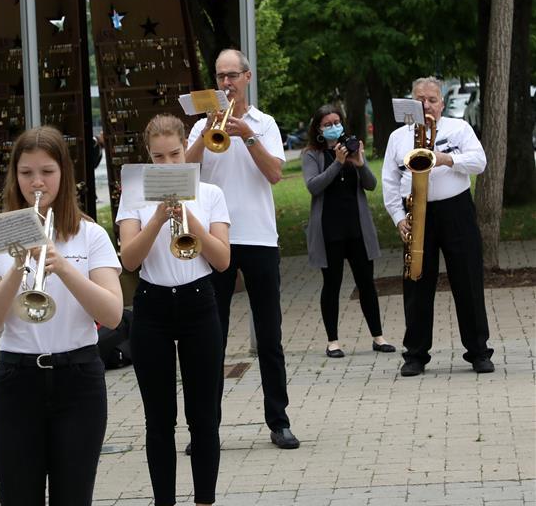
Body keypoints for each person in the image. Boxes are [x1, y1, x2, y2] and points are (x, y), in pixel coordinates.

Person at [0, 126, 123, 506]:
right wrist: (19, 267)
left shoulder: (90, 235)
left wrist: (63, 266)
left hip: (78, 379)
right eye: (26, 173)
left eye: (47, 172)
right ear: (14, 177)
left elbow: (113, 314)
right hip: (16, 380)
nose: (36, 183)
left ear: (64, 175)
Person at [117, 114, 231, 506]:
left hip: (200, 303)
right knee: (158, 416)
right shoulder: (134, 192)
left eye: (175, 154)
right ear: (148, 156)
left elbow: (221, 260)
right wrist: (157, 218)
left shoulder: (211, 193)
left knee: (204, 414)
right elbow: (129, 259)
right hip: (152, 307)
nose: (167, 164)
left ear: (188, 149)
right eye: (158, 157)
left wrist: (188, 215)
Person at [185, 48, 299, 450]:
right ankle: (205, 429)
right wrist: (206, 133)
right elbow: (183, 173)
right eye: (220, 76)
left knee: (269, 334)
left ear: (247, 77)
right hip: (216, 240)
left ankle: (279, 421)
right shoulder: (201, 126)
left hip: (259, 238)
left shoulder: (264, 124)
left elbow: (275, 174)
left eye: (232, 75)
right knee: (209, 338)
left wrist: (246, 136)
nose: (226, 83)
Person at [382, 76, 494, 376]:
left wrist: (445, 159)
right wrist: (398, 218)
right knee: (416, 284)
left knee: (468, 281)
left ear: (442, 103)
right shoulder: (398, 137)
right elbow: (390, 182)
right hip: (416, 212)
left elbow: (479, 162)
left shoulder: (459, 128)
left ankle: (479, 351)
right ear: (411, 102)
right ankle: (415, 355)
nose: (426, 105)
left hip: (456, 211)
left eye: (432, 99)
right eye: (420, 99)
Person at [301, 105, 395, 358]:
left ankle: (378, 336)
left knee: (367, 284)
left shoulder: (352, 148)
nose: (334, 126)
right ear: (318, 129)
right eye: (328, 124)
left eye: (337, 121)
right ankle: (333, 341)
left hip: (356, 228)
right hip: (329, 230)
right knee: (332, 285)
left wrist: (360, 163)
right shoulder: (312, 155)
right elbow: (313, 186)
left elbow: (371, 185)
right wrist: (337, 164)